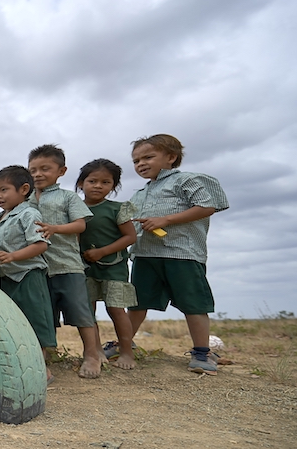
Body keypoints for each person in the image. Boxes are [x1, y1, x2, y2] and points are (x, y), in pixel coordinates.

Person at [127, 134, 229, 375]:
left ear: (171, 157)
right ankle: (124, 343)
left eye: (148, 157)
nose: (141, 164)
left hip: (182, 253)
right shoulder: (140, 193)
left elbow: (207, 206)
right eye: (136, 160)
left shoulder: (187, 180)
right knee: (137, 302)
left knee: (193, 304)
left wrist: (165, 219)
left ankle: (203, 352)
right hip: (145, 254)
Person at [28, 144, 101, 379]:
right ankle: (48, 353)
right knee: (43, 313)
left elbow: (81, 225)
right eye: (33, 170)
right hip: (37, 267)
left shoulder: (68, 197)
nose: (38, 174)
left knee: (81, 313)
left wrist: (55, 228)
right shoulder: (25, 198)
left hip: (67, 265)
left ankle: (91, 355)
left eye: (45, 169)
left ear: (61, 171)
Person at [0, 165, 56, 383]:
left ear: (24, 189)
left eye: (4, 190)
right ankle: (20, 368)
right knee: (12, 323)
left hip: (28, 275)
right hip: (6, 279)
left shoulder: (29, 214)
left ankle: (42, 369)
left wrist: (13, 256)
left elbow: (40, 245)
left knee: (35, 320)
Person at [76, 159, 138, 370]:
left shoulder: (117, 209)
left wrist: (102, 251)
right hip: (85, 268)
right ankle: (95, 351)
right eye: (92, 181)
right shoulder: (74, 210)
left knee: (116, 309)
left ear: (113, 186)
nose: (98, 186)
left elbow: (130, 237)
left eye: (105, 182)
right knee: (88, 311)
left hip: (114, 266)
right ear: (81, 183)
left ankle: (127, 352)